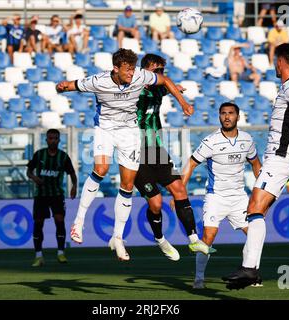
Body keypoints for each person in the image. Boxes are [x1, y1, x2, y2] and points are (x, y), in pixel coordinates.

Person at [55, 49, 196, 261]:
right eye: (128, 69)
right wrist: (61, 87)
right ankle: (79, 222)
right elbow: (72, 85)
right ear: (116, 68)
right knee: (100, 169)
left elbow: (164, 79)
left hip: (129, 132)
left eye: (133, 69)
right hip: (105, 129)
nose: (132, 74)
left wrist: (183, 103)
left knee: (127, 185)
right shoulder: (98, 81)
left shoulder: (140, 75)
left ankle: (118, 238)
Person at [222, 43, 289, 289]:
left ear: (281, 62)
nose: (274, 64)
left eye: (275, 60)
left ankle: (250, 269)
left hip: (281, 157)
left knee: (253, 207)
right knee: (257, 212)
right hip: (282, 159)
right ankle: (249, 269)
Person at [134, 53, 210, 261]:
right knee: (156, 203)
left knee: (179, 189)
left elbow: (166, 85)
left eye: (162, 71)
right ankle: (161, 240)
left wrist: (175, 88)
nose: (160, 75)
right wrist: (181, 99)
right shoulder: (134, 89)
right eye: (156, 71)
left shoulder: (159, 89)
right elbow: (166, 84)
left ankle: (194, 239)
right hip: (135, 153)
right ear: (145, 72)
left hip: (157, 151)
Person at [181, 102, 262, 289]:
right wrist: (180, 191)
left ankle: (249, 274)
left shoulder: (247, 139)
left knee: (255, 234)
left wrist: (261, 190)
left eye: (231, 113)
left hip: (239, 198)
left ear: (238, 117)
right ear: (219, 116)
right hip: (216, 197)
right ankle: (199, 279)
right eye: (223, 113)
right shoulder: (211, 141)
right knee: (208, 237)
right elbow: (191, 164)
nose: (227, 117)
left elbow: (256, 163)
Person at [27, 128, 78, 267]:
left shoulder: (63, 156)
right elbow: (29, 171)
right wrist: (34, 178)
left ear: (59, 140)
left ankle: (61, 253)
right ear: (46, 140)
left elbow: (72, 174)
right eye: (50, 138)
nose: (53, 140)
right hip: (41, 195)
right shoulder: (39, 155)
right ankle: (38, 256)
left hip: (57, 194)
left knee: (59, 221)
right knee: (38, 224)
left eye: (55, 138)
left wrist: (74, 187)